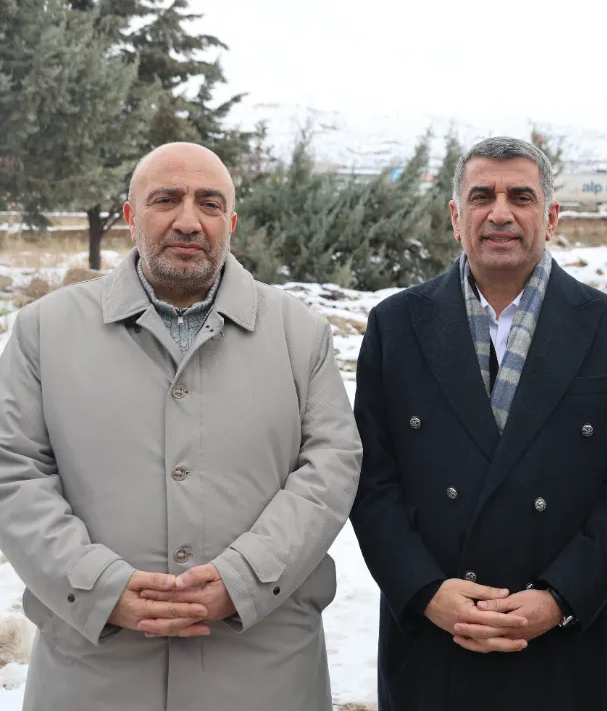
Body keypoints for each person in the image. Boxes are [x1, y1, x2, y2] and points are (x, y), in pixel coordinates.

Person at [0, 142, 363, 711]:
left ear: (231, 222)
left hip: (264, 676)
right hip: (93, 677)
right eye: (166, 199)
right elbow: (14, 472)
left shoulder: (300, 334)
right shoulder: (44, 331)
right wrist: (98, 585)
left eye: (209, 204)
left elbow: (331, 467)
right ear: (130, 216)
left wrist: (247, 577)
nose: (189, 221)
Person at [350, 136, 607, 711]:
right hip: (431, 644)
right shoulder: (395, 326)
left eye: (520, 197)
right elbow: (370, 480)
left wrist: (560, 597)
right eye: (481, 197)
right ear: (455, 217)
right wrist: (425, 590)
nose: (500, 213)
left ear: (551, 216)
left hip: (560, 648)